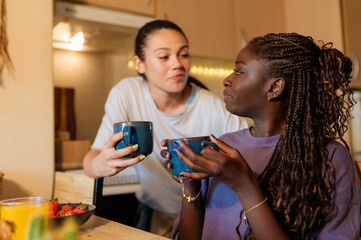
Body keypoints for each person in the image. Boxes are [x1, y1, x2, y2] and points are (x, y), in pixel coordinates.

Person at [165, 33, 361, 239]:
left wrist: (245, 185)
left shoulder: (331, 159)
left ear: (274, 87)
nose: (226, 80)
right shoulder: (223, 146)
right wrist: (191, 184)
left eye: (239, 71)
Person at [82, 19, 248, 237]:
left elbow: (247, 154)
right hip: (157, 212)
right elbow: (90, 160)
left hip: (207, 214)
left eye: (184, 54)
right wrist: (100, 164)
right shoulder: (127, 93)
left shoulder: (212, 107)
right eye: (164, 56)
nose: (177, 63)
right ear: (139, 63)